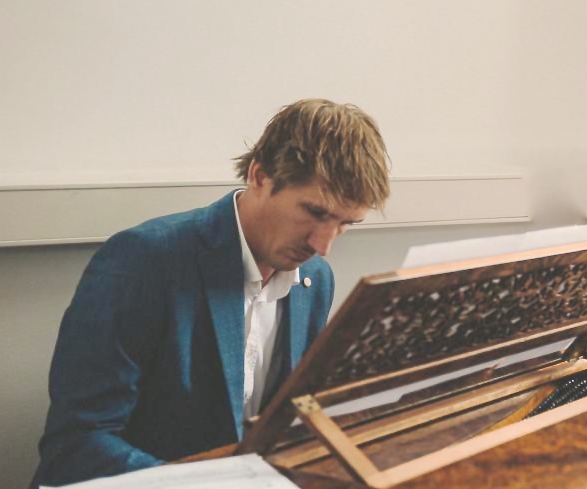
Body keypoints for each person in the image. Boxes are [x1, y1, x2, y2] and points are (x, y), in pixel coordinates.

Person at [32, 99, 391, 486]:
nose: (324, 245)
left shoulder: (315, 279)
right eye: (315, 213)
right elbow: (76, 446)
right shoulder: (144, 259)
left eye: (346, 224)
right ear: (260, 176)